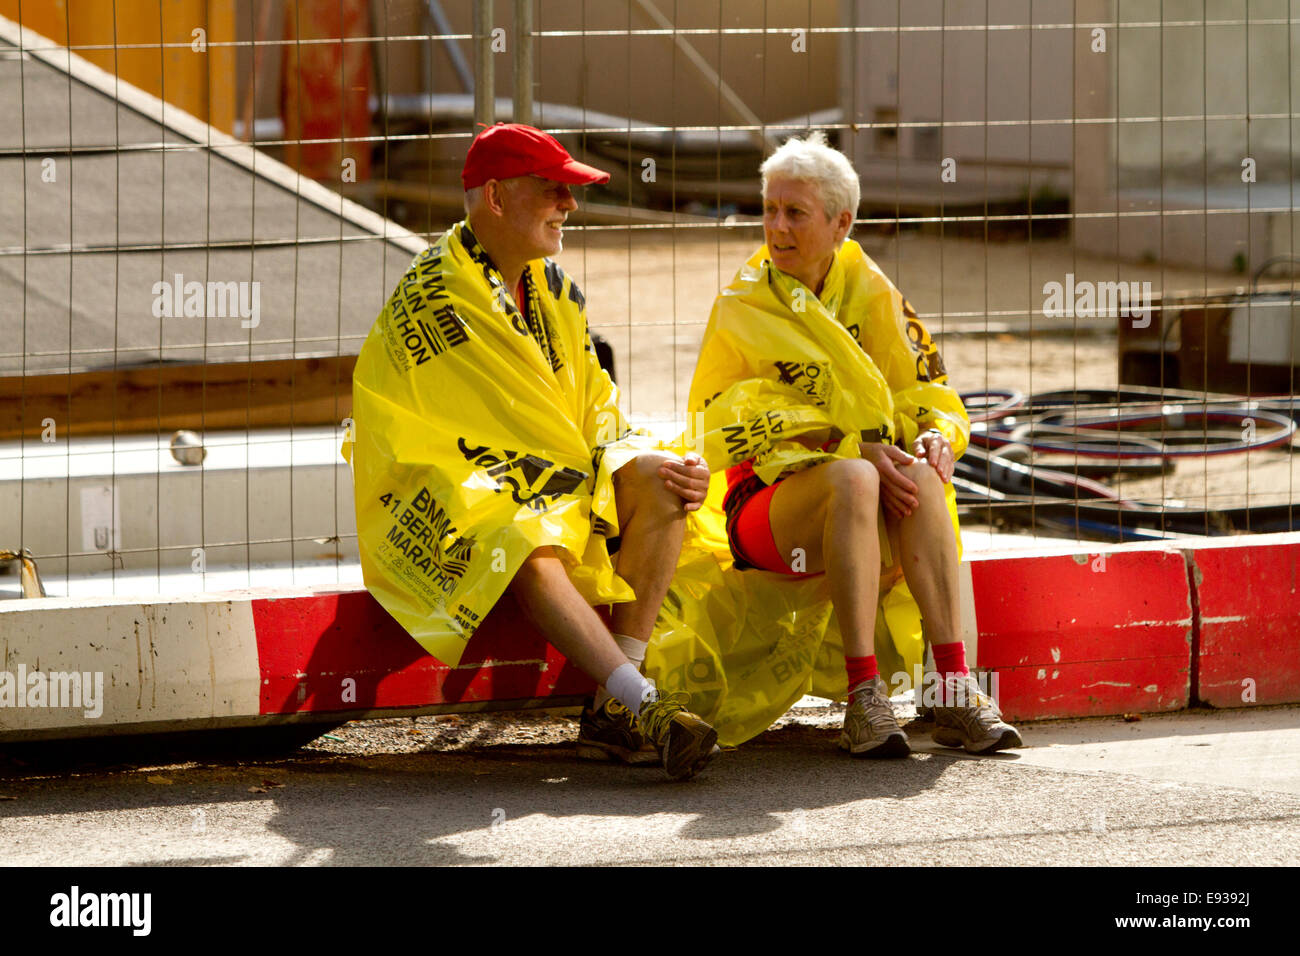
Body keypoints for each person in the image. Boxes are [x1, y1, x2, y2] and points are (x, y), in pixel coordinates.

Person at [347, 123, 717, 779]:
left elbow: (596, 403)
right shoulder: (437, 294)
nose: (569, 206)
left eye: (568, 193)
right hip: (447, 489)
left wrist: (646, 459)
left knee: (663, 480)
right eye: (552, 191)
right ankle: (644, 703)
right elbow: (426, 438)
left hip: (540, 477)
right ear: (494, 197)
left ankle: (612, 706)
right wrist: (563, 473)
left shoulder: (549, 288)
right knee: (520, 537)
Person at [686, 131, 1022, 756]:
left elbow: (929, 391)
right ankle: (864, 697)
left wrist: (936, 438)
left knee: (922, 477)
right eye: (769, 210)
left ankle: (952, 689)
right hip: (766, 508)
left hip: (869, 492)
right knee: (855, 477)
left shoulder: (873, 291)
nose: (776, 228)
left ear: (842, 224)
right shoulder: (740, 304)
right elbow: (716, 421)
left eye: (795, 213)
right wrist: (844, 444)